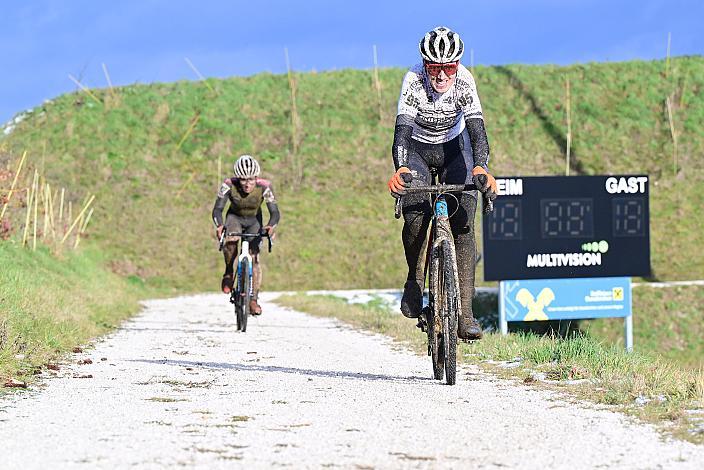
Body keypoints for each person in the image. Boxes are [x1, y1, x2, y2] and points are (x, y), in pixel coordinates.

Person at [387, 26, 497, 340]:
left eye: (448, 68)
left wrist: (481, 166)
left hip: (454, 148)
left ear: (457, 65)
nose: (441, 76)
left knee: (463, 221)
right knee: (415, 215)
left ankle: (465, 313)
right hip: (419, 150)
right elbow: (402, 134)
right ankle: (414, 280)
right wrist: (401, 168)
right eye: (434, 68)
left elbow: (477, 130)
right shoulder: (413, 81)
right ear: (424, 64)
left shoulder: (464, 80)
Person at [212, 155, 280, 315]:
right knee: (230, 241)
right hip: (234, 218)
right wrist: (220, 225)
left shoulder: (265, 187)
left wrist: (270, 226)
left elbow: (275, 212)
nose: (247, 184)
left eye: (251, 179)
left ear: (256, 177)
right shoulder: (228, 184)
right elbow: (217, 209)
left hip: (254, 221)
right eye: (243, 180)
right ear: (238, 178)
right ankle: (229, 272)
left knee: (255, 259)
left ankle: (253, 299)